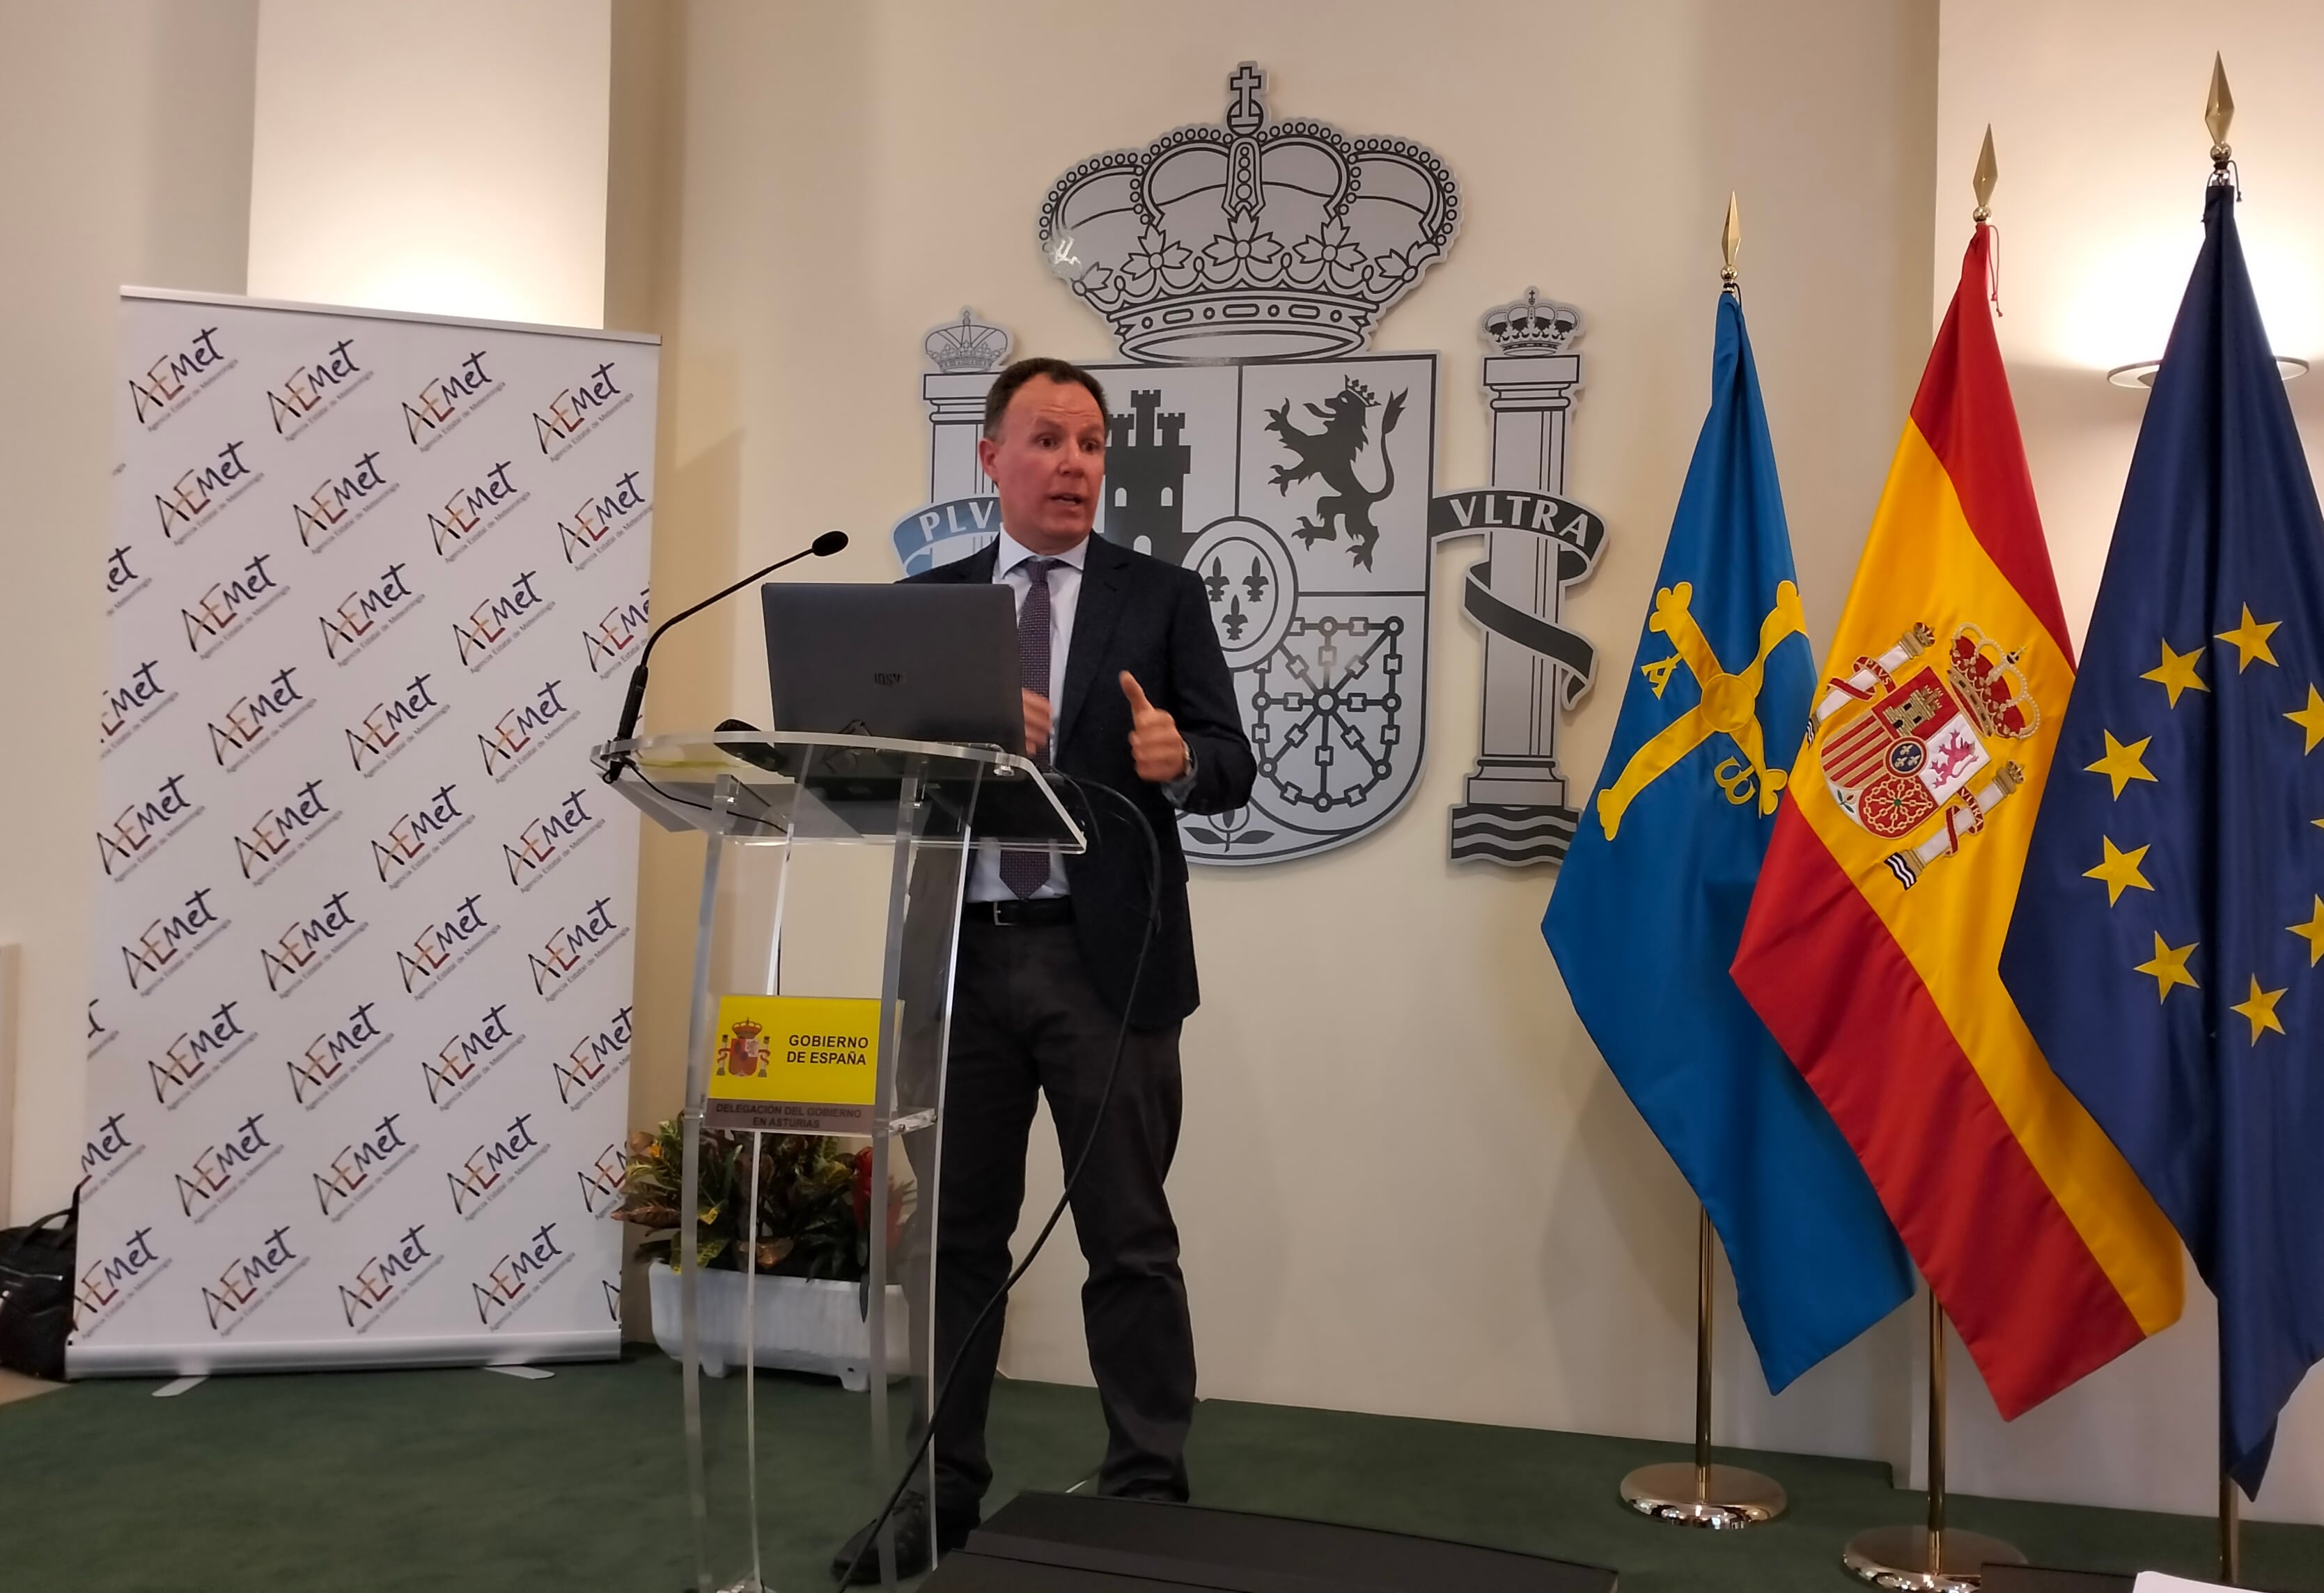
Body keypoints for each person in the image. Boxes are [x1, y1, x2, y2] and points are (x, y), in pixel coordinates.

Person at [835, 357, 1256, 1582]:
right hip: (962, 963)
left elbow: (1231, 760)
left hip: (1103, 962)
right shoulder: (929, 605)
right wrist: (948, 735)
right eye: (1047, 439)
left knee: (1128, 1240)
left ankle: (1145, 1501)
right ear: (991, 461)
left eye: (1089, 441)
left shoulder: (1159, 598)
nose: (1074, 462)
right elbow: (871, 774)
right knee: (957, 1240)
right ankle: (940, 1496)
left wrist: (1181, 755)